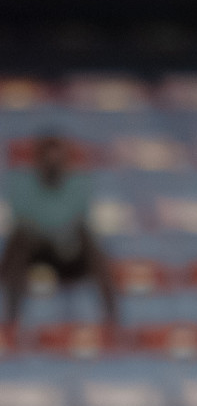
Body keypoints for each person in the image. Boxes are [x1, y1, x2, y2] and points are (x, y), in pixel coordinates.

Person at [2, 133, 117, 337]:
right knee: (19, 239)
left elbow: (76, 219)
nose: (52, 164)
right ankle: (11, 323)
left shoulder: (80, 183)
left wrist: (56, 232)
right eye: (48, 159)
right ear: (38, 161)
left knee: (89, 239)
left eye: (57, 159)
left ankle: (113, 322)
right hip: (34, 251)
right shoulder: (21, 183)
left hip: (68, 255)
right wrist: (52, 230)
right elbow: (24, 219)